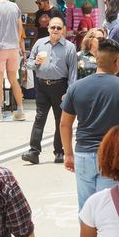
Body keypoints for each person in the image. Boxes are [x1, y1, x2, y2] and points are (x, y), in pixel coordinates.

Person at [60, 38, 119, 209]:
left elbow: (64, 124)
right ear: (116, 62)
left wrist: (68, 154)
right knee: (109, 208)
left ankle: (87, 236)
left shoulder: (76, 87)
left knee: (86, 208)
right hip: (112, 154)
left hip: (83, 154)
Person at [21, 17, 78, 165]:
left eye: (59, 28)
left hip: (60, 86)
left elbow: (73, 72)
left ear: (63, 29)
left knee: (60, 119)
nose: (55, 30)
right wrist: (35, 63)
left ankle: (59, 152)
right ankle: (34, 151)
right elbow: (29, 63)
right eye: (53, 27)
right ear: (48, 28)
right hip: (42, 86)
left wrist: (70, 91)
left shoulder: (69, 47)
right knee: (40, 118)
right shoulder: (40, 44)